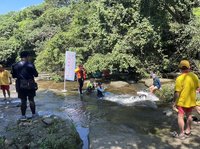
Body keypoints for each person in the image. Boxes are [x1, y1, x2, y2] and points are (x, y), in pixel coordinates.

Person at [172, 60, 199, 139]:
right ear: (189, 67)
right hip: (191, 101)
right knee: (189, 115)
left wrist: (174, 103)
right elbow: (198, 87)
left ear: (180, 68)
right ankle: (188, 131)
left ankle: (182, 134)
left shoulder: (179, 78)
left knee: (180, 117)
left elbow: (177, 92)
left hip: (181, 102)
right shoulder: (194, 76)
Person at [11, 51, 38, 120]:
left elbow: (13, 76)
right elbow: (36, 75)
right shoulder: (30, 64)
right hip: (30, 84)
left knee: (23, 100)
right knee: (31, 99)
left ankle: (23, 116)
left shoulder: (15, 65)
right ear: (27, 56)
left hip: (20, 84)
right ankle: (34, 114)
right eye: (29, 56)